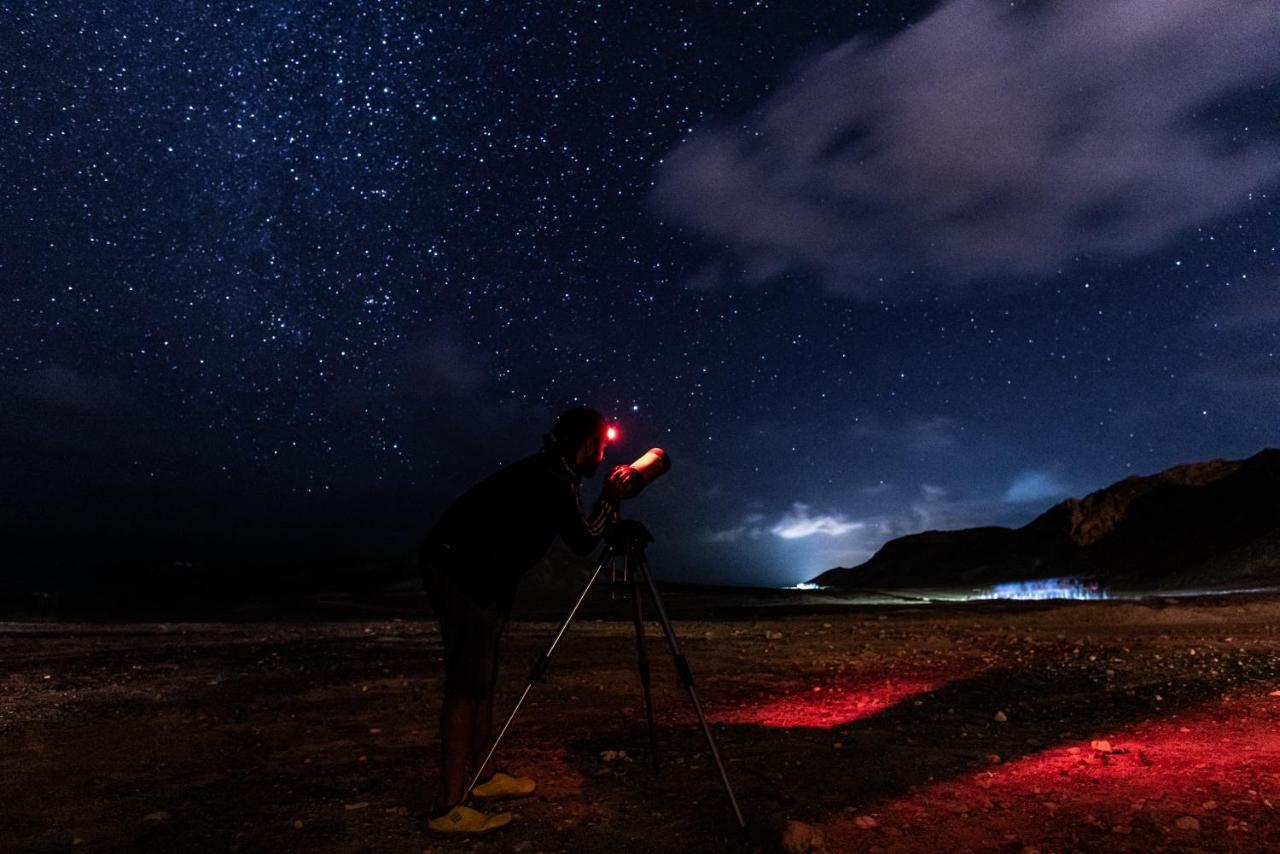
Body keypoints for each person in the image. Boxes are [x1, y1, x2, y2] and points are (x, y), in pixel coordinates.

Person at [419, 407, 638, 835]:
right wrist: (611, 497)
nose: (605, 453)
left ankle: (483, 776)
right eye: (603, 444)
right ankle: (446, 807)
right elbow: (583, 539)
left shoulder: (552, 472)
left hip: (484, 572)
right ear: (588, 444)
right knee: (466, 683)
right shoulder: (554, 478)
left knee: (483, 672)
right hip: (460, 569)